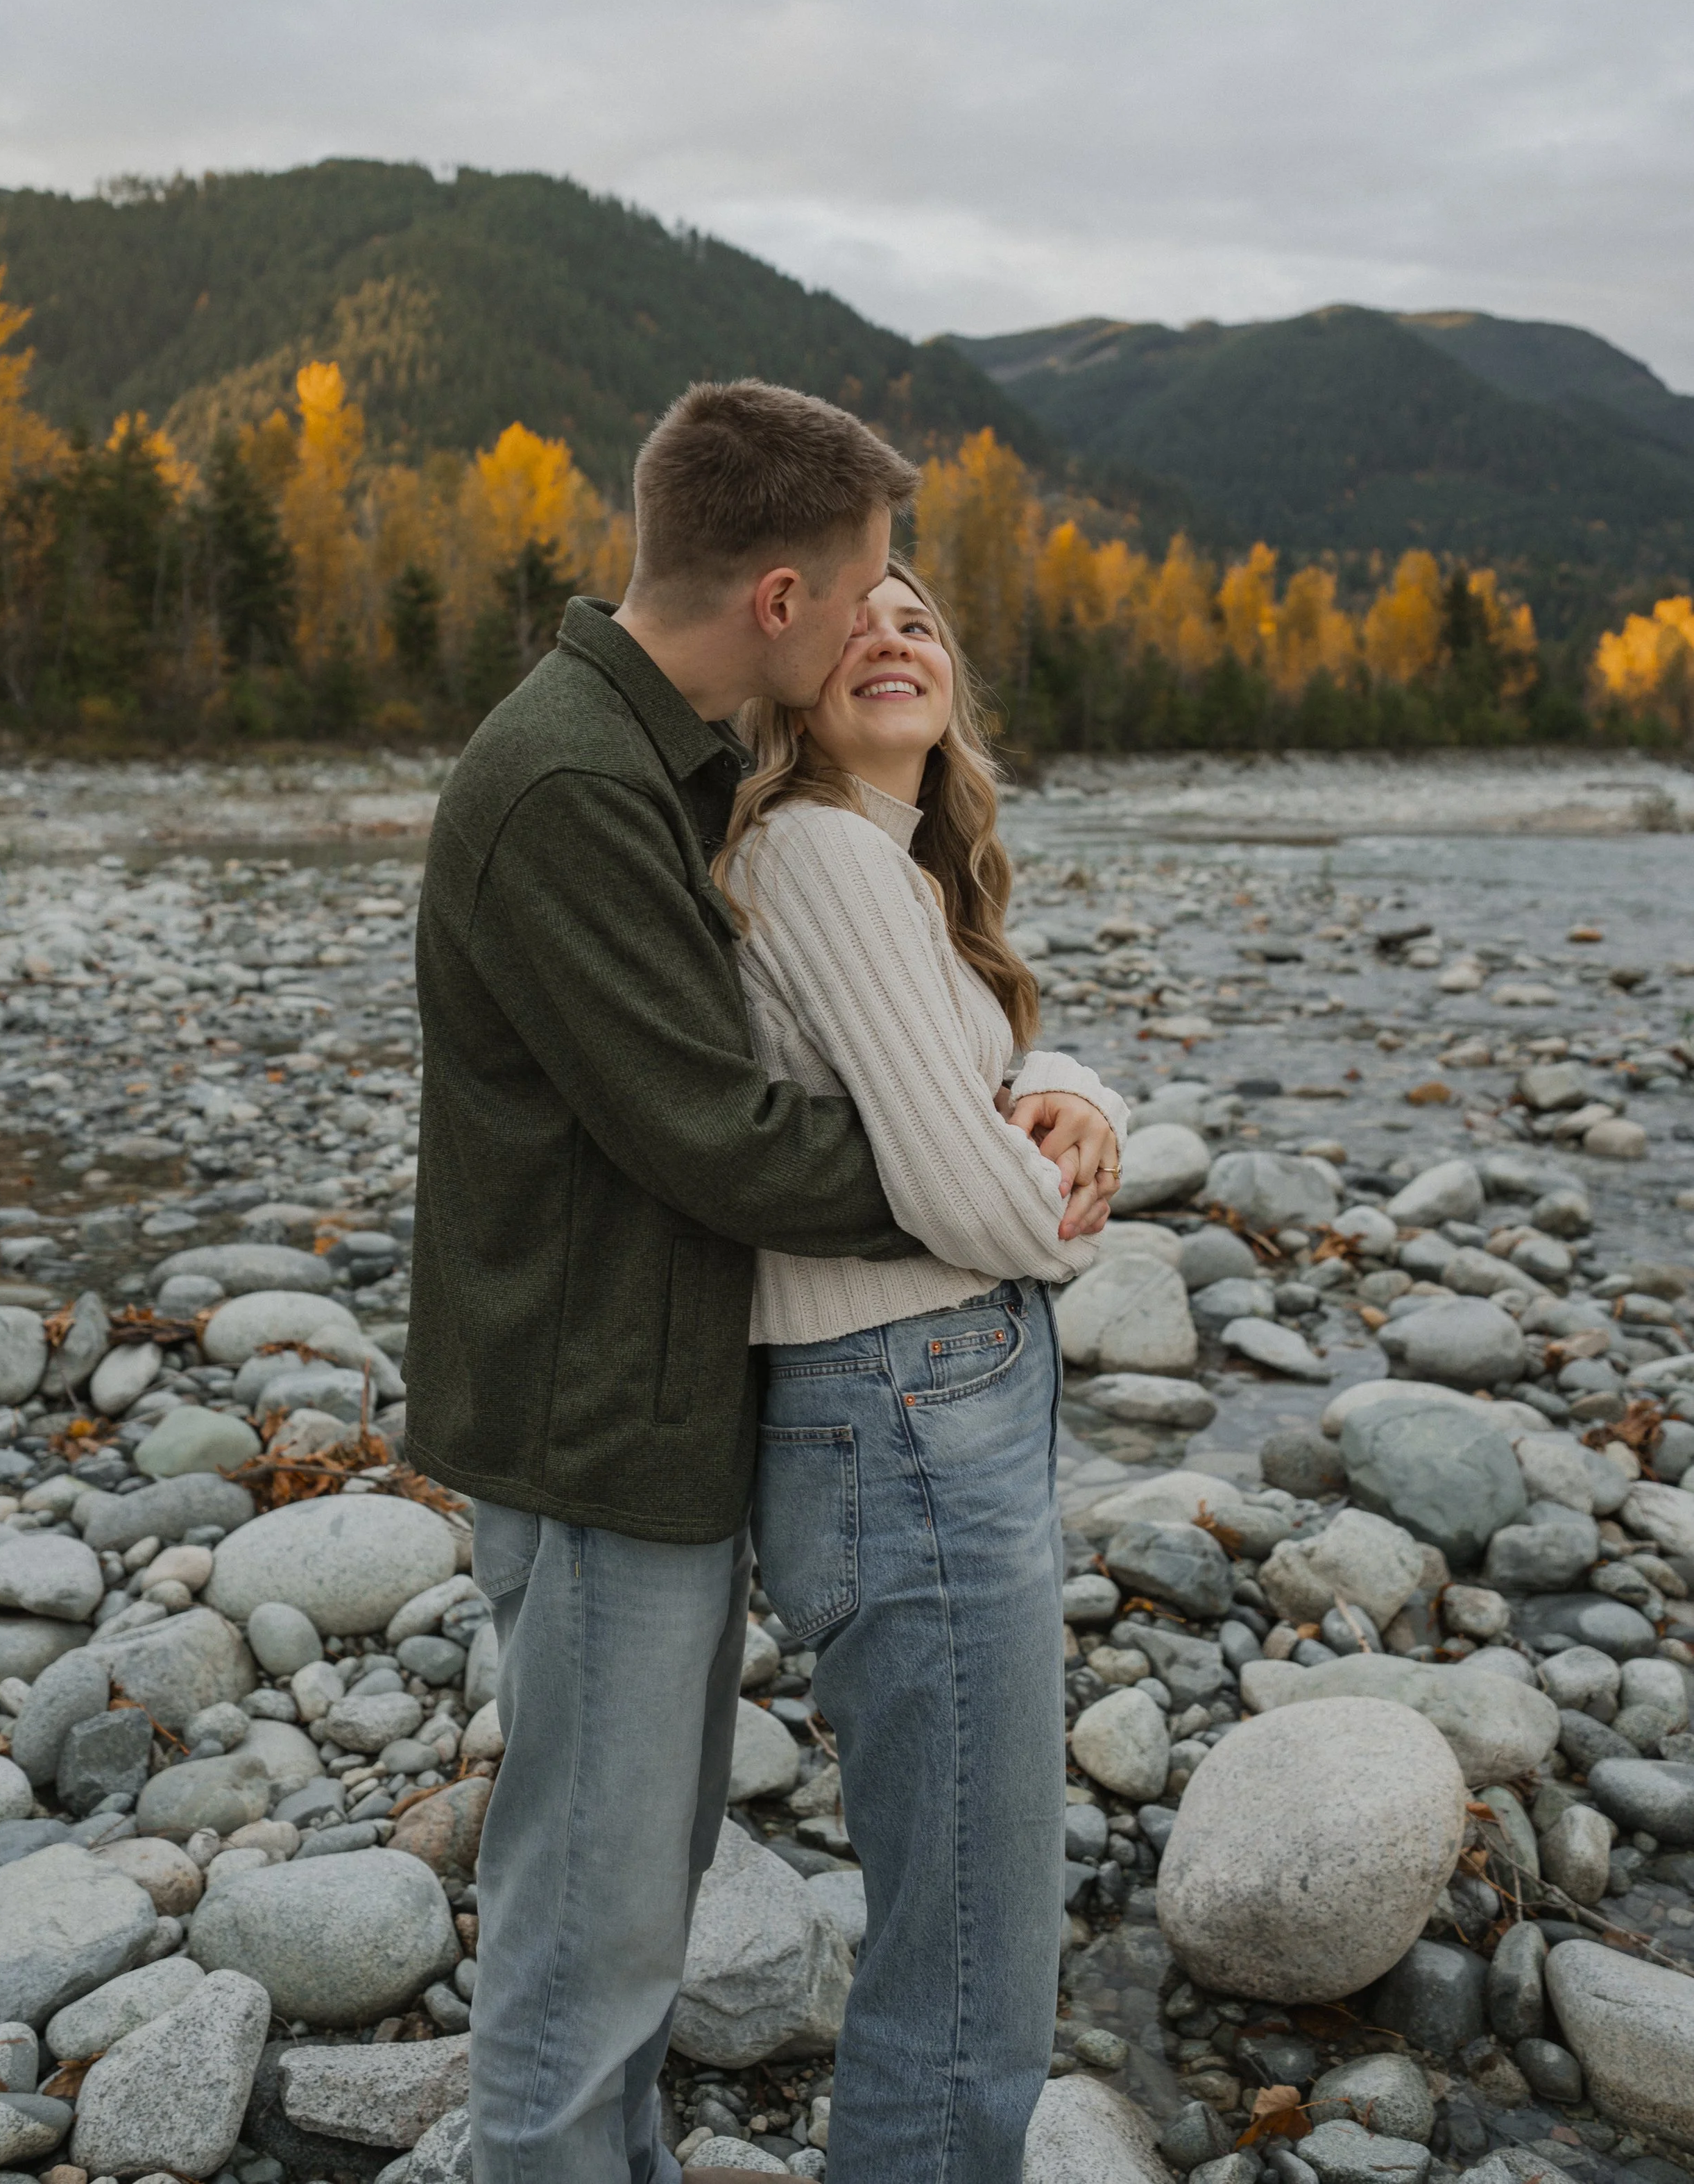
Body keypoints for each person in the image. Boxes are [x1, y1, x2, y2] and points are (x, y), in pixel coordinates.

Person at [404, 380, 1117, 2184]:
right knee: (593, 1933)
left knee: (627, 1914)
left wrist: (1043, 1098)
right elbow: (716, 1137)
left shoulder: (672, 758)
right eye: (870, 582)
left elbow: (860, 1040)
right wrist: (994, 1177)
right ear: (780, 599)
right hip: (589, 1430)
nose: (892, 616)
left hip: (662, 1403)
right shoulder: (569, 773)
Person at [714, 555, 1127, 2183]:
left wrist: (1074, 1090)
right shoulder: (815, 848)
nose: (892, 634)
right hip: (901, 1411)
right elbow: (965, 1190)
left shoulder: (896, 865)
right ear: (786, 669)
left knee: (970, 1914)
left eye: (921, 616)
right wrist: (1073, 1208)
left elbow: (992, 1083)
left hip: (921, 1399)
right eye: (856, 617)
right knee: (970, 1953)